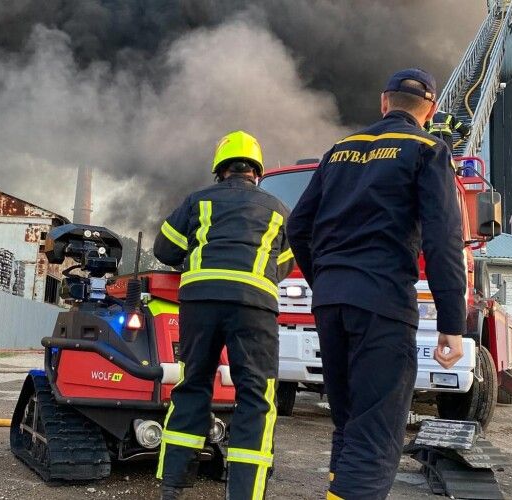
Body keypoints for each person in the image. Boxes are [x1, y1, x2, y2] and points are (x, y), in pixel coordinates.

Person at [287, 68, 466, 500]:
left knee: (350, 426)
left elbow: (297, 228)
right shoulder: (428, 149)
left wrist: (326, 282)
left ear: (383, 103)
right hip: (383, 305)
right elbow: (443, 240)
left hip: (330, 305)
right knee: (375, 436)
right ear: (431, 112)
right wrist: (452, 324)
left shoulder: (338, 151)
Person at [153, 131, 294, 500]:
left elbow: (165, 249)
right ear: (257, 172)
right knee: (256, 396)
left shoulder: (198, 201)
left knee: (193, 384)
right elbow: (285, 263)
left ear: (219, 170)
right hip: (254, 307)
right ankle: (244, 493)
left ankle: (172, 485)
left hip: (201, 304)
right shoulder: (279, 209)